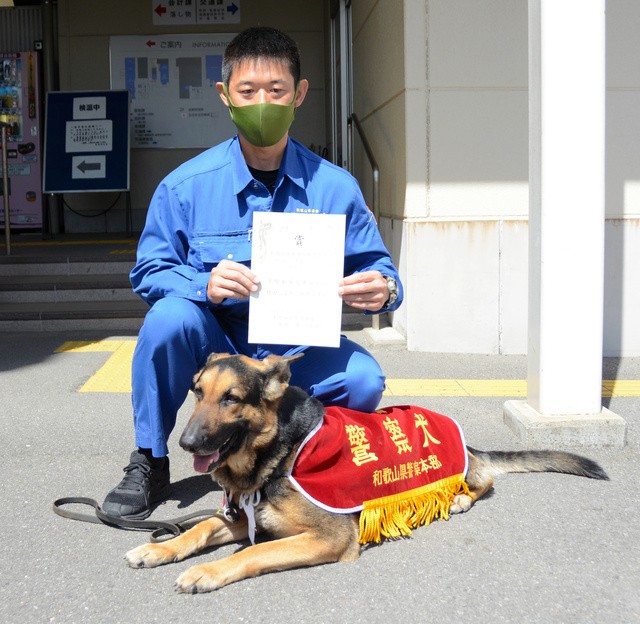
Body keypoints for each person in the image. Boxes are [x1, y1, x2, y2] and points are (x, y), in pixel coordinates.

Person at [102, 26, 403, 519]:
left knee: (365, 379)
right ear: (226, 96)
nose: (262, 101)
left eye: (276, 90)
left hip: (294, 349)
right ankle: (150, 459)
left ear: (299, 94)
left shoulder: (335, 187)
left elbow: (381, 270)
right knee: (167, 320)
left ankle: (315, 457)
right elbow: (149, 271)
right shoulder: (185, 187)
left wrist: (383, 288)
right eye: (248, 91)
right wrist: (203, 285)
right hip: (216, 340)